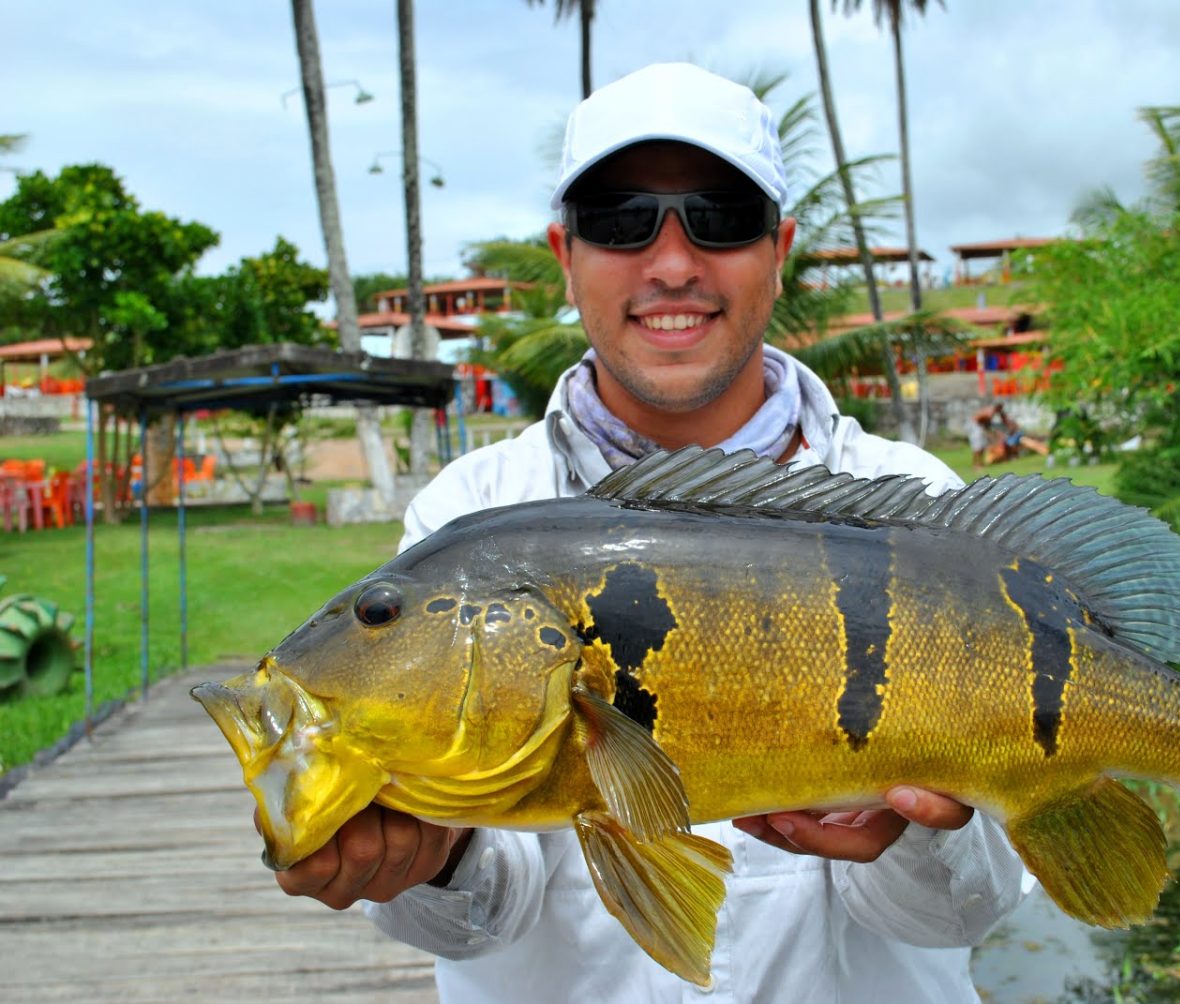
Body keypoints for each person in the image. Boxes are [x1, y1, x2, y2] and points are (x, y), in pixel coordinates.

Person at [270, 63, 1029, 1002]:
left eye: (720, 216)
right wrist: (430, 859)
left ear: (779, 249)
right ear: (566, 254)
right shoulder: (466, 518)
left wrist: (913, 829)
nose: (672, 263)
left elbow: (964, 915)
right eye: (622, 221)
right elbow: (475, 923)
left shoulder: (916, 508)